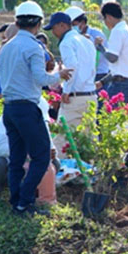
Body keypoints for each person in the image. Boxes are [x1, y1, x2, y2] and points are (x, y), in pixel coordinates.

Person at [0, 1, 73, 217]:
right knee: (41, 157)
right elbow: (42, 79)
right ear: (39, 24)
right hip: (27, 107)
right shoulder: (34, 47)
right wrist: (59, 75)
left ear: (17, 22)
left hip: (9, 108)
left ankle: (16, 202)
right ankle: (25, 201)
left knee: (16, 158)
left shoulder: (7, 47)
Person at [43, 11, 97, 156]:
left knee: (62, 138)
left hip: (74, 96)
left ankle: (59, 169)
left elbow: (72, 67)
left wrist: (66, 91)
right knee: (89, 140)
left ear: (62, 25)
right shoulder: (86, 41)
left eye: (54, 28)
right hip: (90, 95)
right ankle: (91, 169)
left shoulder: (66, 42)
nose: (53, 32)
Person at [0, 97, 55, 198]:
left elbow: (50, 147)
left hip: (22, 170)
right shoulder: (7, 119)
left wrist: (50, 152)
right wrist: (32, 151)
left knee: (55, 163)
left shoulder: (41, 124)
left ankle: (35, 193)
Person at [101, 1, 128, 104]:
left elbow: (113, 58)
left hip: (121, 84)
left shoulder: (117, 31)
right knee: (125, 113)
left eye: (104, 19)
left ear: (108, 17)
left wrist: (101, 48)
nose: (104, 22)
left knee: (110, 112)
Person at [68, 7, 109, 81]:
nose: (72, 27)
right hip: (83, 75)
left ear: (83, 22)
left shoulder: (97, 35)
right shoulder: (73, 36)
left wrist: (93, 45)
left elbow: (104, 56)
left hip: (99, 74)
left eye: (74, 24)